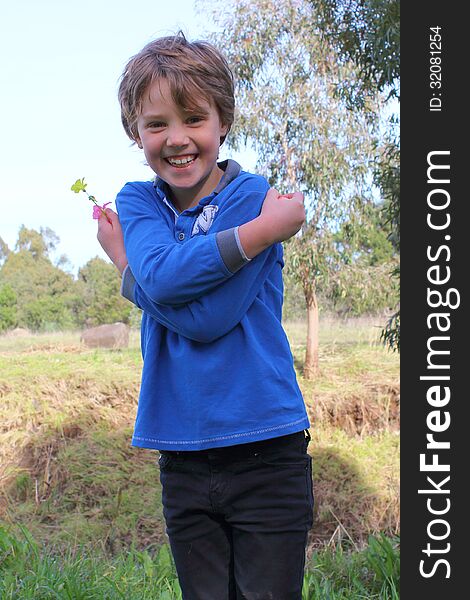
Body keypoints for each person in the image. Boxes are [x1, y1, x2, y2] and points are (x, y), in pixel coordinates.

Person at [97, 32, 314, 600]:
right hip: (183, 455)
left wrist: (130, 271)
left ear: (223, 121)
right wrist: (137, 267)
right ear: (134, 132)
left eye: (194, 118)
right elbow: (164, 279)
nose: (176, 139)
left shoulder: (251, 197)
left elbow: (205, 319)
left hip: (267, 448)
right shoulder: (138, 202)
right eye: (155, 124)